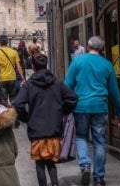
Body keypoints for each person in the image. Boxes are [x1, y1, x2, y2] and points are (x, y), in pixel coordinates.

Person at [65, 36, 120, 186]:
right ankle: (99, 178)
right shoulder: (107, 65)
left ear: (88, 46)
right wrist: (119, 113)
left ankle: (85, 165)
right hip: (99, 107)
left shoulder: (77, 61)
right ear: (101, 48)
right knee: (99, 141)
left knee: (81, 136)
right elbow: (115, 92)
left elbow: (67, 86)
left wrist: (64, 106)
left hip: (81, 106)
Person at [13, 54, 78, 186]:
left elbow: (18, 104)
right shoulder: (57, 82)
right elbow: (72, 98)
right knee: (51, 162)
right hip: (54, 128)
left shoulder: (29, 85)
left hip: (37, 129)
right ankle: (55, 184)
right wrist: (62, 112)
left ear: (33, 66)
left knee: (40, 163)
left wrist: (26, 118)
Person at [0, 35, 26, 111]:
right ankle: (14, 116)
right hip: (12, 78)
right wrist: (23, 78)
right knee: (13, 99)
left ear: (0, 42)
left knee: (3, 100)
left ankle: (6, 117)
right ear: (7, 42)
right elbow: (19, 67)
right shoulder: (14, 52)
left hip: (2, 79)